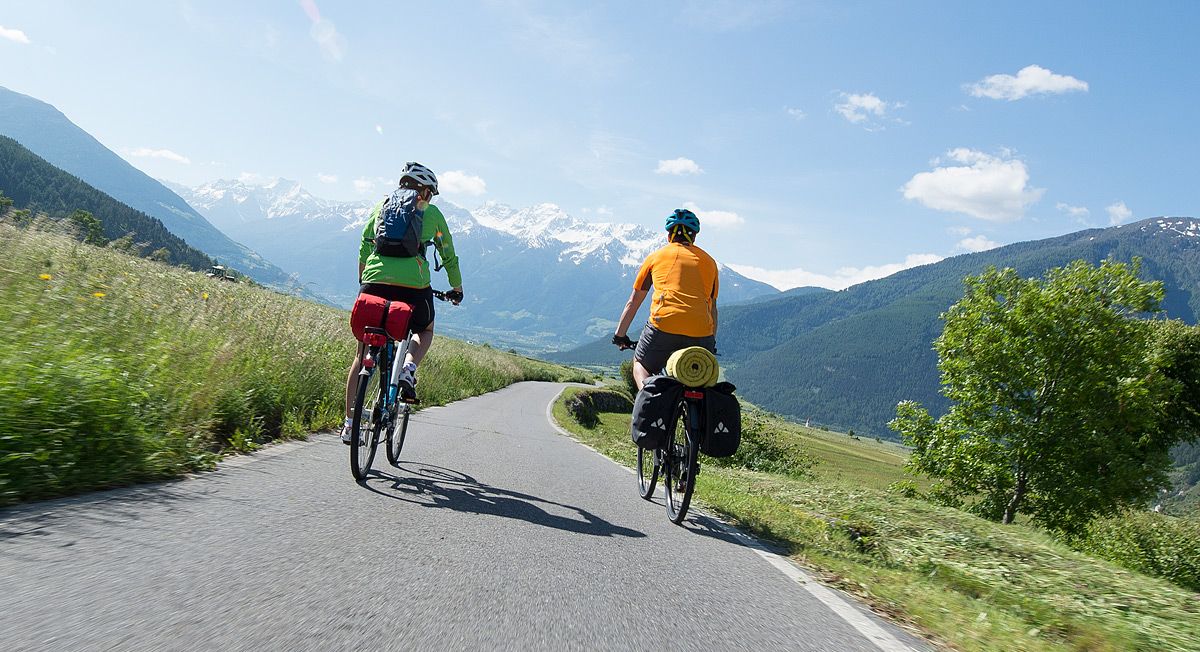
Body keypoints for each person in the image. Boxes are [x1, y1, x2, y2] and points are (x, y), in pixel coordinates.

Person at [341, 162, 463, 444]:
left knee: (361, 355)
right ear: (423, 190)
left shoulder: (380, 207)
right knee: (425, 329)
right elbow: (448, 253)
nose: (430, 198)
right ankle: (408, 368)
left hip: (372, 284)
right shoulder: (431, 213)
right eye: (430, 192)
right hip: (413, 288)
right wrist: (456, 288)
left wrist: (365, 282)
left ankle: (350, 425)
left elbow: (364, 243)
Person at [612, 208, 718, 391]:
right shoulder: (710, 262)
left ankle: (649, 396)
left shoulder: (655, 257)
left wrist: (620, 336)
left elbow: (633, 302)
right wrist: (711, 342)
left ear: (669, 235)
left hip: (662, 327)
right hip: (702, 333)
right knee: (700, 379)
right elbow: (712, 309)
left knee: (639, 362)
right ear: (694, 237)